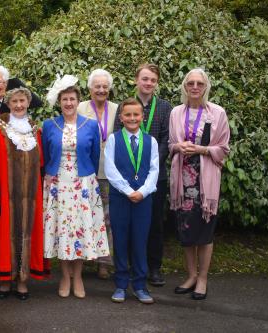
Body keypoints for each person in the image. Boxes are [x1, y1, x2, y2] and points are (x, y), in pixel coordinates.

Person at [0, 87, 49, 300]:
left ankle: (23, 280)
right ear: (8, 103)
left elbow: (41, 164)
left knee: (28, 234)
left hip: (30, 195)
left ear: (28, 103)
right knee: (4, 235)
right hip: (4, 194)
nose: (18, 105)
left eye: (22, 101)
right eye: (14, 101)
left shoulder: (35, 129)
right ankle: (5, 280)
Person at [43, 75, 110, 298]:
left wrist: (86, 179)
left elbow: (94, 154)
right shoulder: (49, 125)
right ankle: (64, 276)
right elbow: (46, 154)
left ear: (78, 100)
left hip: (83, 184)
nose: (69, 103)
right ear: (60, 102)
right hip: (58, 184)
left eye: (72, 99)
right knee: (62, 229)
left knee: (81, 229)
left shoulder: (90, 125)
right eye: (64, 100)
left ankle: (78, 276)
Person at [169, 68, 230, 301]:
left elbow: (224, 149)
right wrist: (178, 147)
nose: (195, 87)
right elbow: (171, 142)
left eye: (199, 84)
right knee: (186, 231)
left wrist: (203, 150)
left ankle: (203, 278)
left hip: (205, 183)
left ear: (206, 87)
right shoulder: (176, 112)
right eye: (190, 83)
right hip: (182, 182)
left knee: (204, 232)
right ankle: (191, 275)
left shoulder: (217, 113)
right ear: (185, 86)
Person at [113, 63, 172, 286]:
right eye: (144, 79)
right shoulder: (126, 105)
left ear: (156, 83)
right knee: (127, 223)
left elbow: (167, 140)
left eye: (153, 80)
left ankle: (153, 268)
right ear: (136, 80)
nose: (148, 83)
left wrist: (148, 169)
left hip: (155, 177)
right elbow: (116, 137)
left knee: (154, 223)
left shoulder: (165, 107)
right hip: (127, 178)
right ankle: (126, 267)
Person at [104, 98, 159, 304]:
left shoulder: (151, 141)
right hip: (120, 198)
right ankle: (120, 284)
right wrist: (128, 191)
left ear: (142, 117)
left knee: (139, 241)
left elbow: (154, 170)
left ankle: (139, 285)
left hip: (143, 200)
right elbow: (110, 169)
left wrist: (142, 192)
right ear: (121, 117)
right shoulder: (113, 139)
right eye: (128, 115)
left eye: (136, 114)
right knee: (120, 240)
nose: (132, 118)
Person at [77, 68, 118, 279]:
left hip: (110, 173)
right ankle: (83, 260)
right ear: (90, 88)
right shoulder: (80, 108)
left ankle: (104, 263)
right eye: (97, 86)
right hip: (85, 171)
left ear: (109, 89)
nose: (101, 90)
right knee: (85, 216)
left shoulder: (117, 109)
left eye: (104, 86)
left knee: (108, 219)